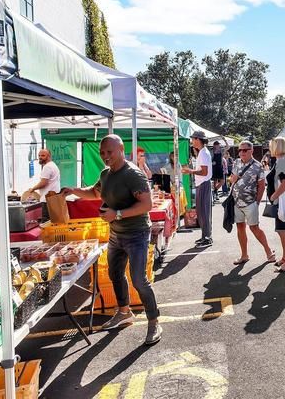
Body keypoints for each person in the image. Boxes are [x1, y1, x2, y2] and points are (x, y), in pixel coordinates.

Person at [60, 135, 161, 345]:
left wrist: (117, 214)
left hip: (137, 234)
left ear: (121, 149)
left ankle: (154, 322)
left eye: (110, 152)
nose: (106, 156)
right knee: (115, 274)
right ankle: (124, 313)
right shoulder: (106, 174)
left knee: (139, 279)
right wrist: (73, 191)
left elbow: (147, 205)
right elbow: (95, 192)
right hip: (116, 234)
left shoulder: (133, 174)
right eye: (102, 152)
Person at [229, 140, 275, 265]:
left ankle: (268, 251)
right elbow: (232, 179)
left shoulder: (257, 165)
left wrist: (257, 202)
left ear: (251, 151)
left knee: (254, 228)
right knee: (240, 227)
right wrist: (231, 179)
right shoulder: (236, 162)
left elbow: (261, 185)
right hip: (236, 201)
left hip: (250, 203)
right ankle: (244, 255)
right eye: (240, 150)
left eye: (245, 150)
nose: (241, 152)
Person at [268, 137, 285, 272]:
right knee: (282, 232)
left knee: (283, 232)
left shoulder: (281, 161)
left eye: (271, 146)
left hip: (281, 203)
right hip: (282, 202)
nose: (269, 148)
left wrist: (274, 196)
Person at [185, 131, 213, 247]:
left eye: (193, 139)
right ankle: (205, 236)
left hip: (204, 184)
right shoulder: (202, 152)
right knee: (201, 213)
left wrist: (190, 171)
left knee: (204, 213)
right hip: (202, 184)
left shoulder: (204, 153)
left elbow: (204, 172)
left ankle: (207, 238)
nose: (192, 141)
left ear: (197, 139)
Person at [23, 148, 61, 219]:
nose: (40, 157)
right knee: (52, 221)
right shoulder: (52, 165)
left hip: (47, 199)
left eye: (43, 155)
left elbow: (43, 183)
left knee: (46, 222)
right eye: (39, 155)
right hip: (53, 198)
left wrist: (33, 189)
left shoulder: (47, 167)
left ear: (49, 156)